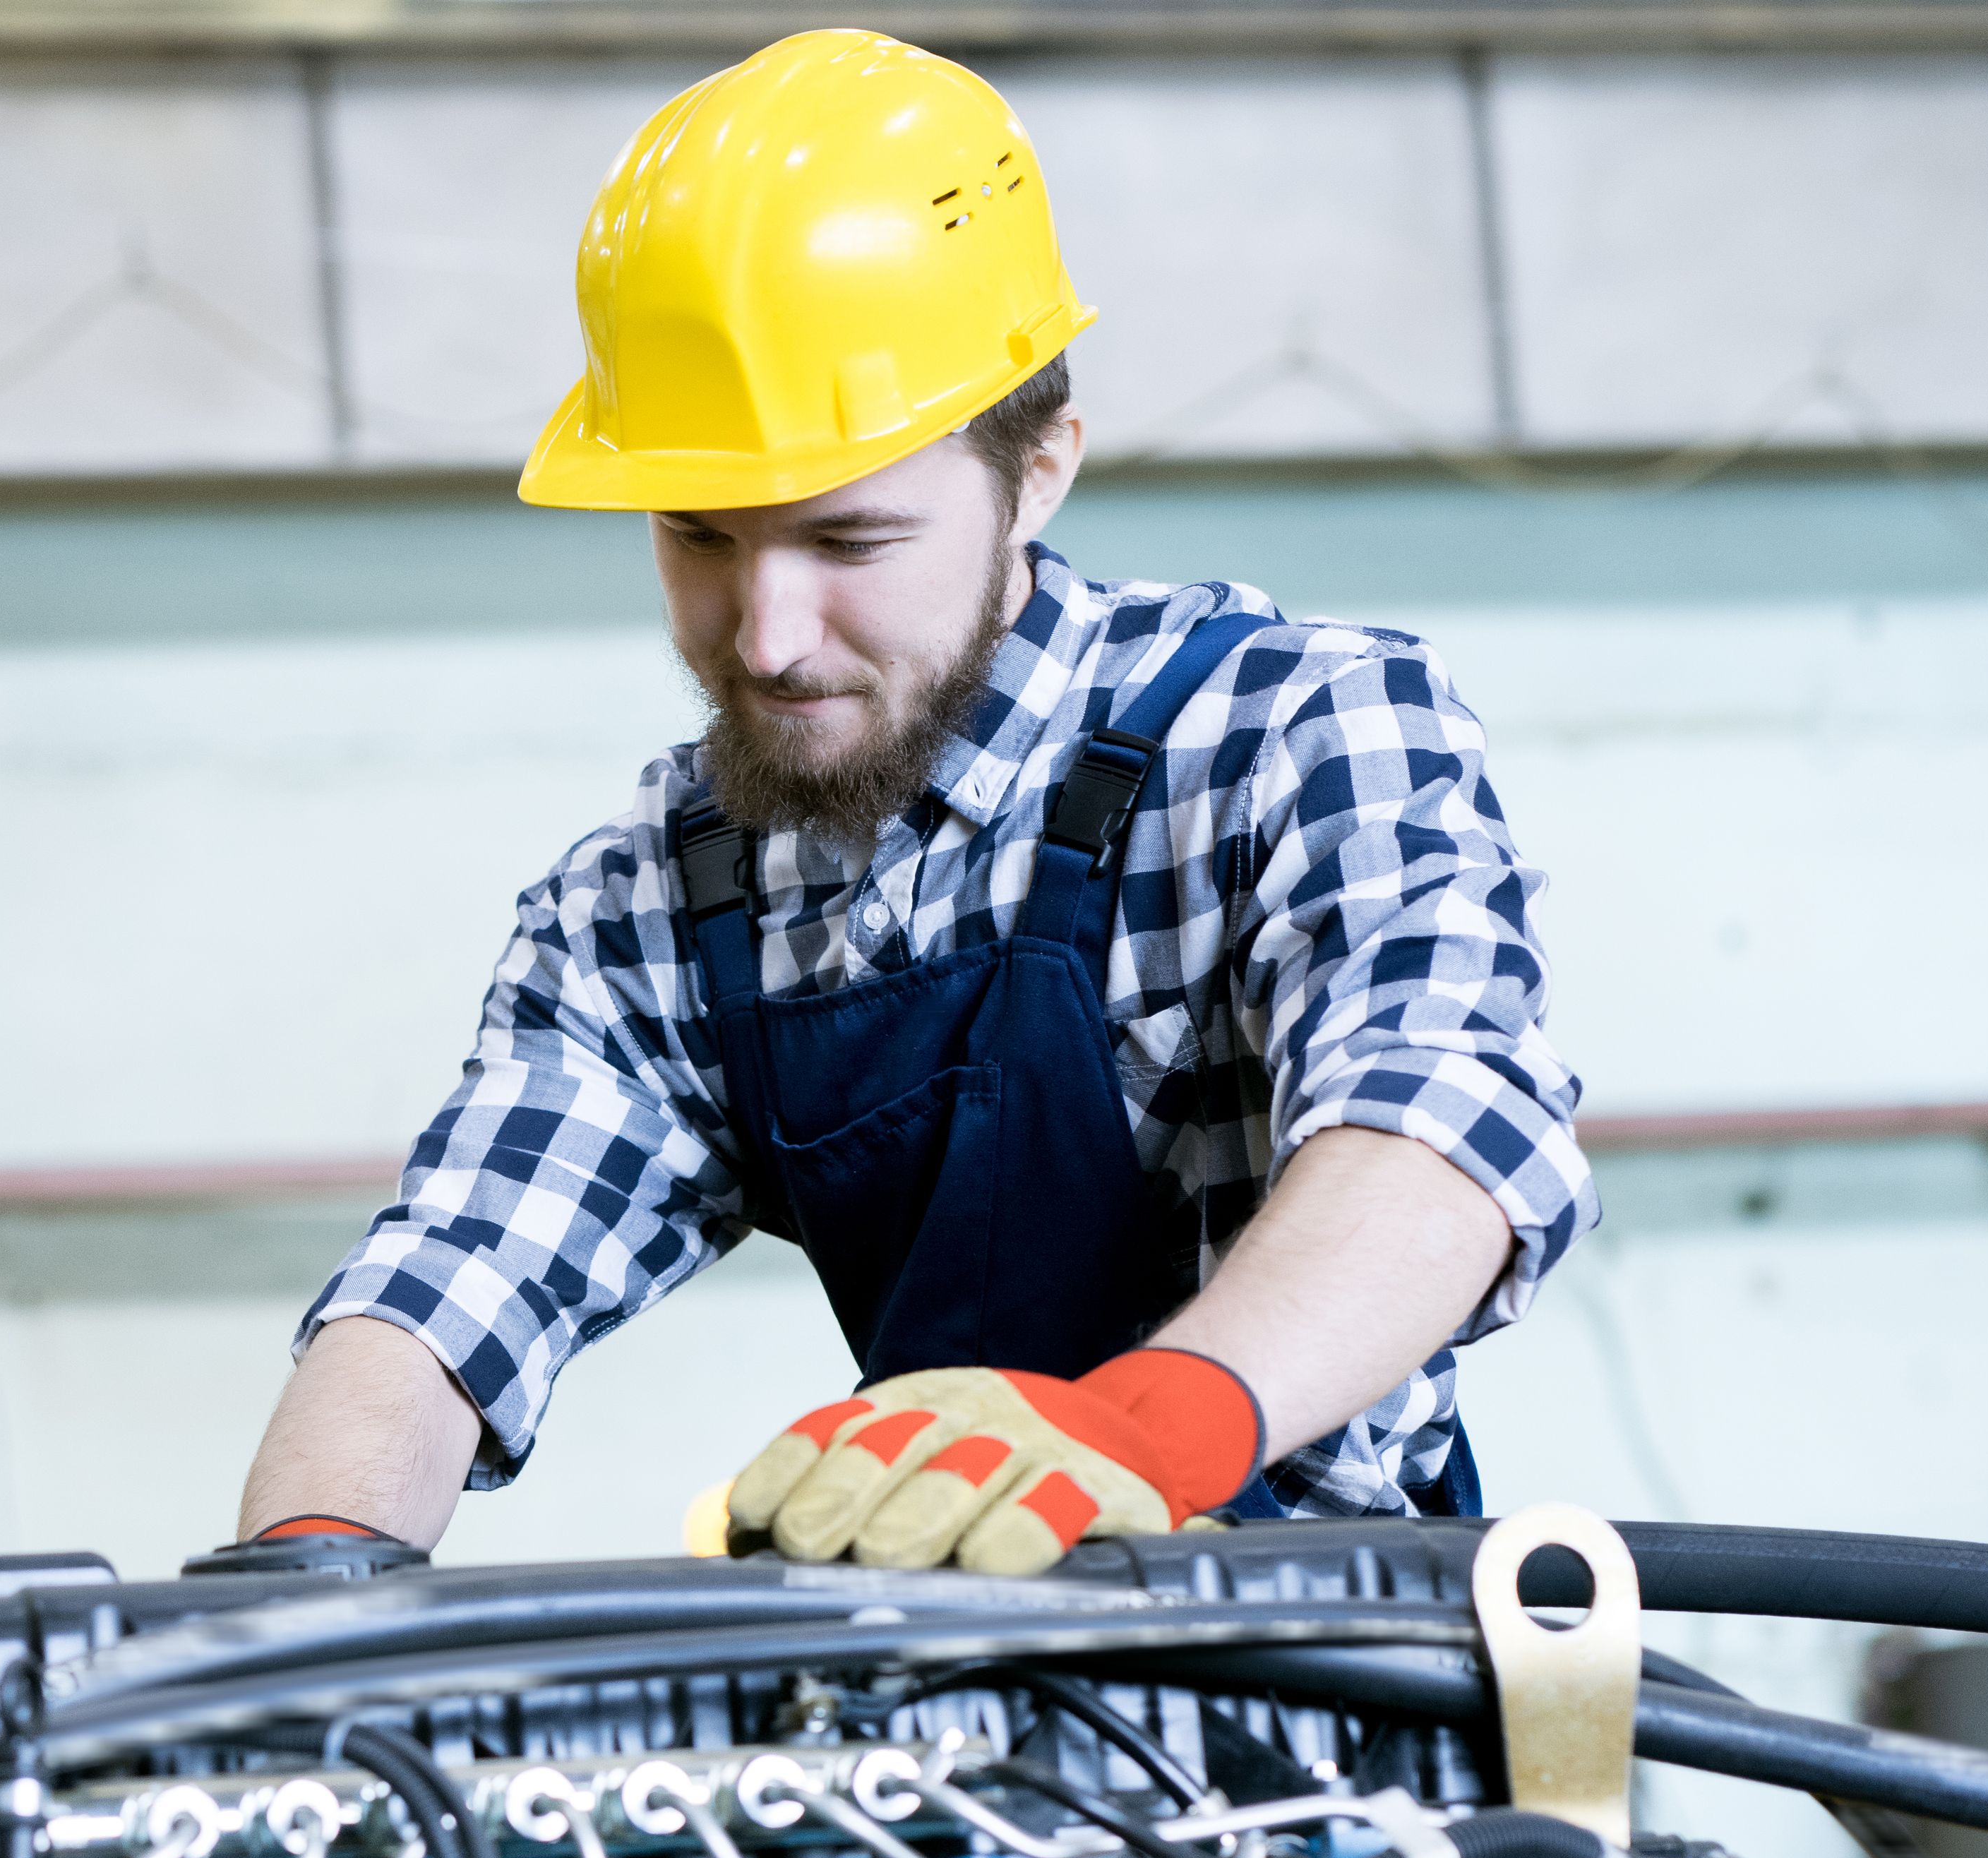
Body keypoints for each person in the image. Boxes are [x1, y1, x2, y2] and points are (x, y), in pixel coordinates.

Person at [232, 28, 1591, 1576]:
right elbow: (444, 1291)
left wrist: (1146, 1434)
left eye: (850, 542)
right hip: (950, 1671)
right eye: (700, 537)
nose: (767, 638)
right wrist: (302, 1592)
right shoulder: (659, 907)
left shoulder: (1288, 732)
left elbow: (1441, 1130)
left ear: (1041, 467)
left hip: (1330, 1666)